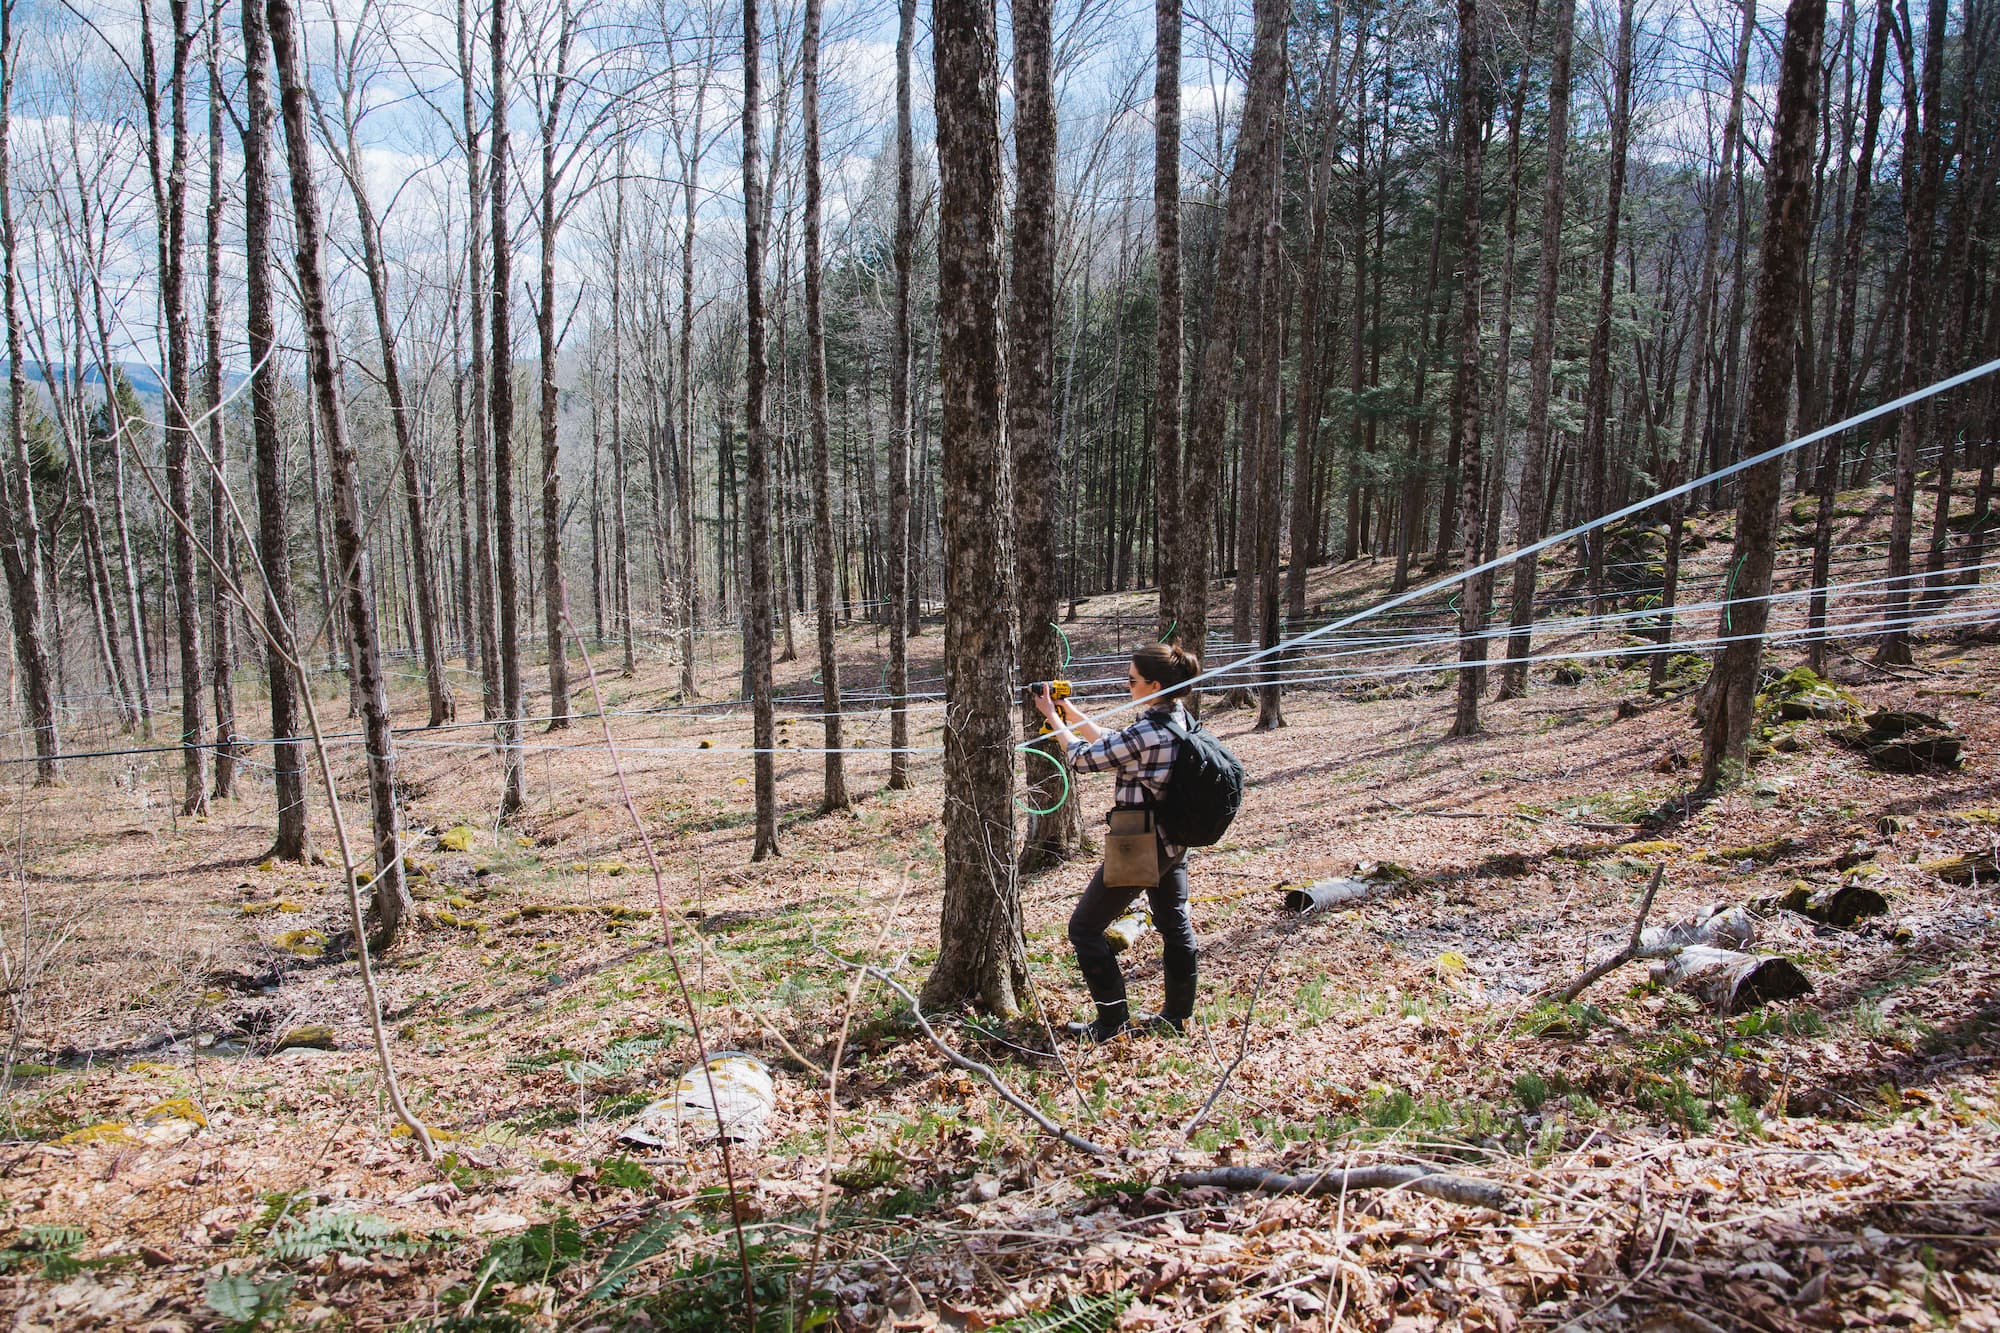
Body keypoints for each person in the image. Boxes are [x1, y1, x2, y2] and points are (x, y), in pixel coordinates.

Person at [1031, 642, 1202, 1043]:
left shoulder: (1148, 731)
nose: (1127, 685)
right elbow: (1116, 740)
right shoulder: (1179, 719)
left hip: (1139, 842)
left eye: (1131, 680)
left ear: (1154, 684)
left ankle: (1111, 1023)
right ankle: (1177, 1017)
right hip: (1173, 840)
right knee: (1175, 924)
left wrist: (1053, 721)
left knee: (1085, 928)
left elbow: (1084, 759)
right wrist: (1072, 714)